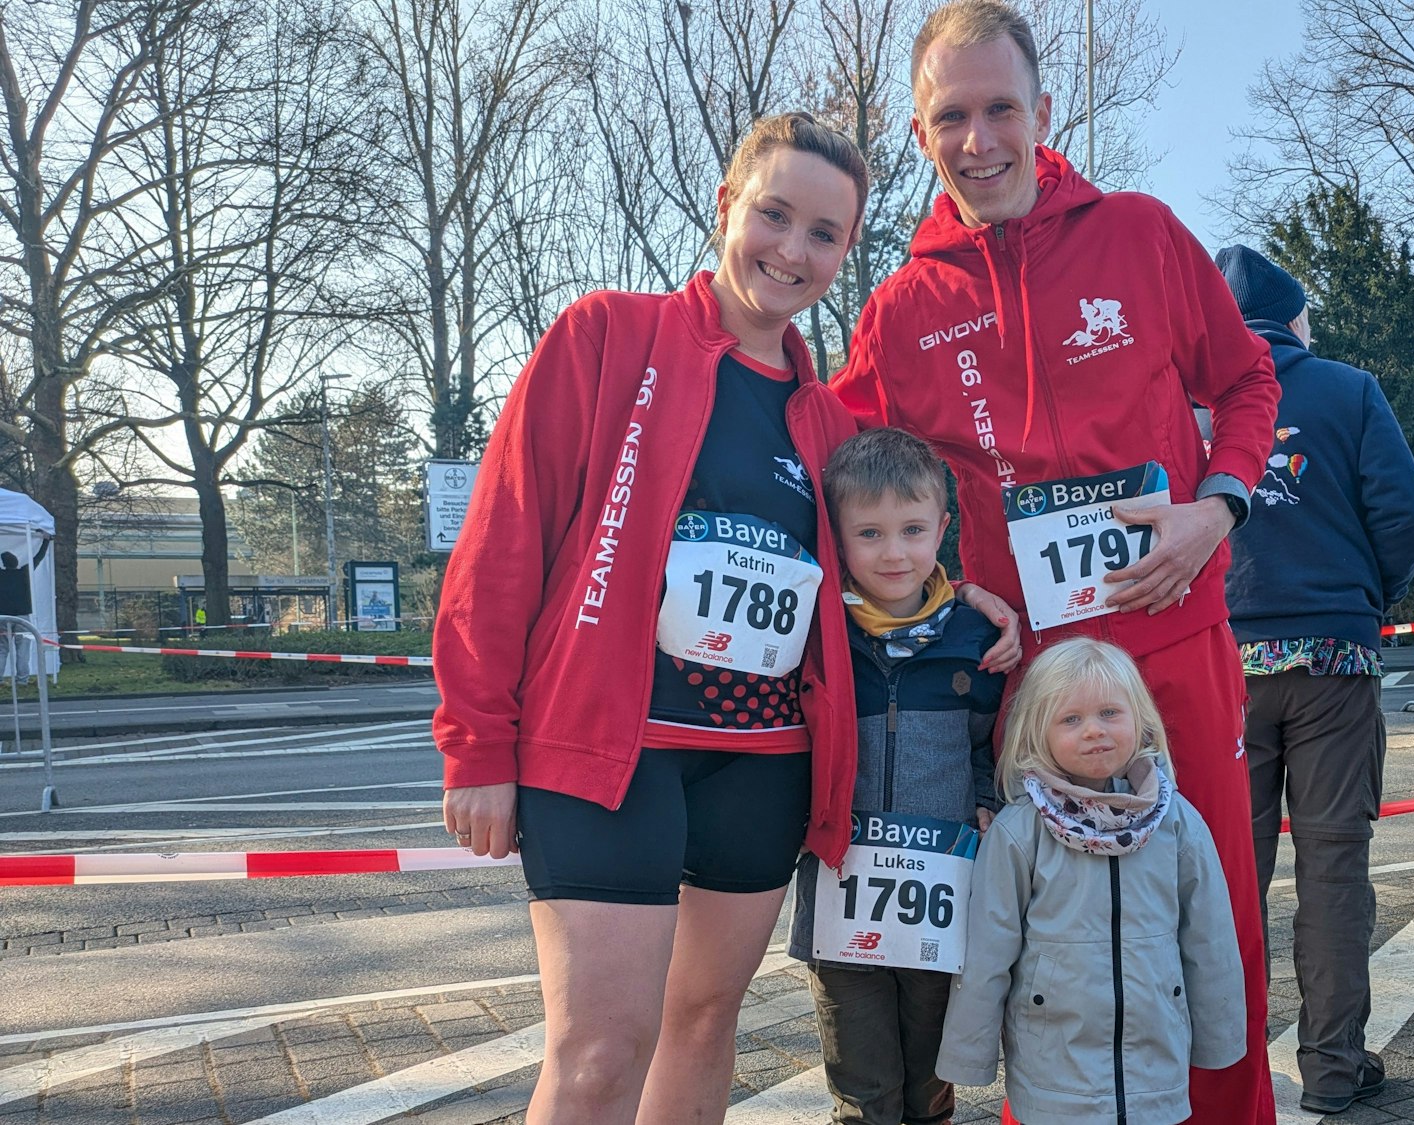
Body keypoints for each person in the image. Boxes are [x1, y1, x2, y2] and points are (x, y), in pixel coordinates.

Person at [431, 114, 1017, 1124]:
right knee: (599, 1051)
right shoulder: (604, 337)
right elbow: (503, 542)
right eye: (774, 215)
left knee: (702, 1025)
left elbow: (877, 571)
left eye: (823, 234)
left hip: (761, 765)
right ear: (725, 209)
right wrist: (477, 742)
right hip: (612, 755)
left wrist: (959, 598)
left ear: (845, 251)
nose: (791, 250)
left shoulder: (828, 420)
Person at [830, 4, 1281, 1120]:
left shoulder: (1140, 233)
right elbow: (839, 471)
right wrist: (937, 591)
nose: (977, 139)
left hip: (1171, 643)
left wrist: (1213, 510)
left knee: (1207, 921)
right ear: (919, 130)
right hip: (1027, 680)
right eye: (951, 117)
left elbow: (1245, 385)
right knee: (1049, 951)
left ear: (1042, 111)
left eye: (997, 110)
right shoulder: (898, 309)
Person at [1212, 245, 1414, 1113]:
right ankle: (1334, 1067)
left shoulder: (1192, 401)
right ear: (1296, 319)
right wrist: (1366, 599)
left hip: (1221, 664)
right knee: (1335, 868)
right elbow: (1405, 507)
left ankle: (1226, 1070)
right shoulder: (1349, 389)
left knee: (1232, 871)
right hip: (1334, 662)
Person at [784, 428, 1006, 1125]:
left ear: (942, 528)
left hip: (941, 889)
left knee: (931, 1076)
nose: (894, 552)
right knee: (861, 1082)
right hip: (841, 887)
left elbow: (988, 741)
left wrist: (985, 799)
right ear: (839, 538)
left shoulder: (975, 637)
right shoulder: (817, 632)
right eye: (870, 533)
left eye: (912, 529)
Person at [935, 637, 1247, 1125]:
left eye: (1109, 713)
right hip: (1053, 1068)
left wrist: (1221, 1037)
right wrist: (969, 1056)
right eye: (1071, 719)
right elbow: (988, 953)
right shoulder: (1021, 832)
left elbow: (1210, 940)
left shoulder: (1176, 822)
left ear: (1139, 720)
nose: (1093, 732)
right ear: (1039, 731)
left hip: (1156, 1062)